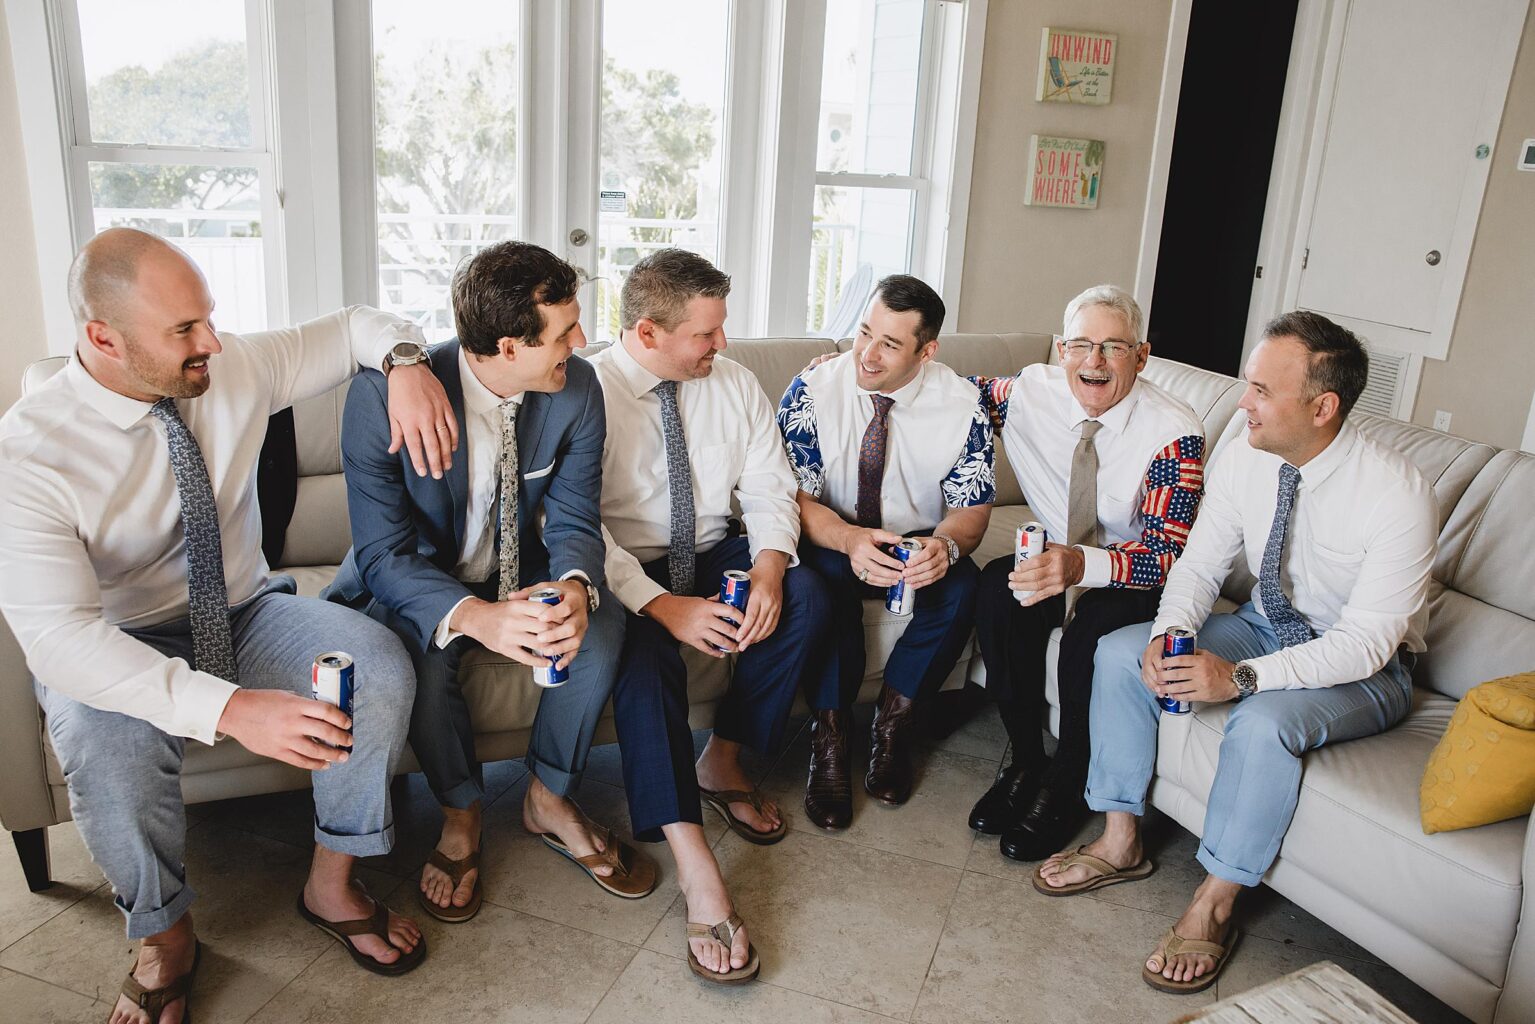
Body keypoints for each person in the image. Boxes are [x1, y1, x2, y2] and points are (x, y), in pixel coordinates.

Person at [0, 228, 461, 1024]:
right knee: (105, 746)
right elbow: (62, 643)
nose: (212, 341)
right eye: (184, 330)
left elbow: (355, 322)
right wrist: (230, 707)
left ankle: (332, 882)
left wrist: (406, 364)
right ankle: (164, 935)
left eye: (207, 317)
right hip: (119, 640)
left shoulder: (229, 365)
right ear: (102, 337)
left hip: (247, 611)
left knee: (376, 666)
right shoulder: (28, 455)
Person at [1036, 311, 1437, 995]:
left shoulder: (1396, 492)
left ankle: (1215, 901)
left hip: (1366, 666)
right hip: (1260, 623)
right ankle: (1120, 840)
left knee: (1261, 721)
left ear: (1322, 406)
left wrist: (1241, 678)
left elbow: (1366, 641)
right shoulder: (1243, 453)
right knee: (1117, 653)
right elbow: (1197, 566)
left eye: (1259, 391)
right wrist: (1171, 633)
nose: (1241, 402)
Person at [326, 241, 645, 924]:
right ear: (507, 346)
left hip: (522, 569)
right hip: (417, 578)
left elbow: (573, 516)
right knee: (417, 646)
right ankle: (460, 812)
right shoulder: (380, 397)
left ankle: (549, 797)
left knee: (603, 624)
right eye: (564, 332)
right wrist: (473, 614)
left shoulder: (576, 388)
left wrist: (574, 585)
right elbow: (383, 554)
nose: (582, 343)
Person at [590, 248, 828, 984]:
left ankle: (722, 759)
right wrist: (663, 607)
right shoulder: (583, 392)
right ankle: (696, 866)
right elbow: (571, 525)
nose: (721, 345)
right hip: (624, 567)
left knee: (810, 593)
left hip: (713, 549)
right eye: (706, 333)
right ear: (647, 331)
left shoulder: (732, 382)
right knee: (641, 658)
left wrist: (767, 566)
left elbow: (766, 484)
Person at [967, 285, 1206, 862]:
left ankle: (1069, 782)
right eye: (1079, 345)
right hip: (1060, 556)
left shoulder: (1177, 435)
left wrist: (1081, 565)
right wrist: (850, 363)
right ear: (1060, 349)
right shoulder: (1026, 392)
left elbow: (1164, 556)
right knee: (998, 597)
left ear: (1142, 357)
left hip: (1134, 577)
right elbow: (948, 392)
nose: (1093, 362)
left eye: (1113, 348)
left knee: (1088, 639)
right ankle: (1027, 761)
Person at [778, 274, 994, 829]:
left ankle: (893, 723)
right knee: (822, 589)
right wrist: (849, 540)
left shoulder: (964, 404)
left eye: (890, 344)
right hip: (832, 534)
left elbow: (970, 511)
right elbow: (786, 497)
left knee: (966, 587)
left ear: (928, 350)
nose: (867, 355)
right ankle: (829, 738)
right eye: (864, 333)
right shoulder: (811, 390)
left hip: (916, 538)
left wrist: (944, 546)